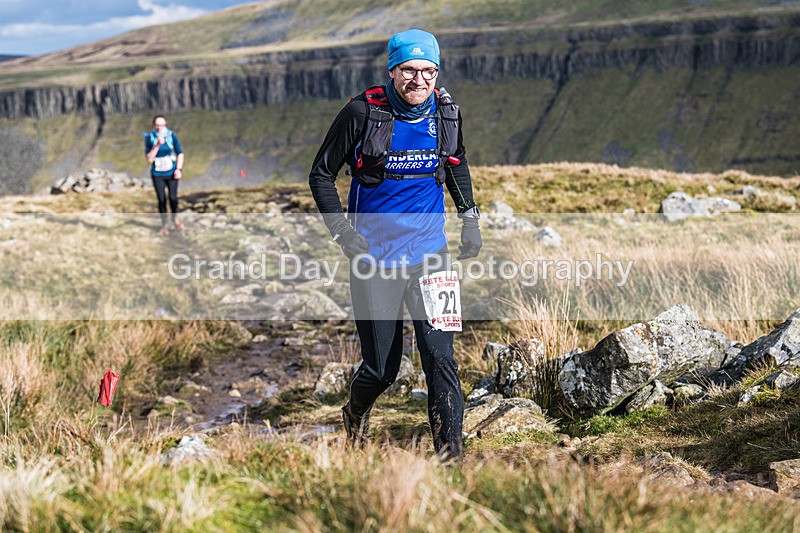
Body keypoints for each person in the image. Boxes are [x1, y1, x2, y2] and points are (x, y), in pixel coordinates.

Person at [308, 29, 482, 461]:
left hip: (432, 256)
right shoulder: (361, 112)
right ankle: (354, 412)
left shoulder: (446, 113)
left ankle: (450, 461)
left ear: (437, 71)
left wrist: (470, 219)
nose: (419, 79)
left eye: (428, 70)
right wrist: (343, 235)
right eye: (409, 70)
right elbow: (321, 175)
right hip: (375, 260)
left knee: (440, 358)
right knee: (382, 370)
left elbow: (456, 164)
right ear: (392, 69)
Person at [144, 115, 185, 235]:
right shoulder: (149, 137)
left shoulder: (172, 135)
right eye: (157, 125)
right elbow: (148, 158)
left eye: (161, 125)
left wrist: (179, 169)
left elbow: (180, 153)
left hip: (171, 172)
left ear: (165, 124)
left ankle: (175, 218)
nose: (159, 128)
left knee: (173, 198)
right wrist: (156, 145)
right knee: (161, 200)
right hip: (157, 173)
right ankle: (164, 224)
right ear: (153, 125)